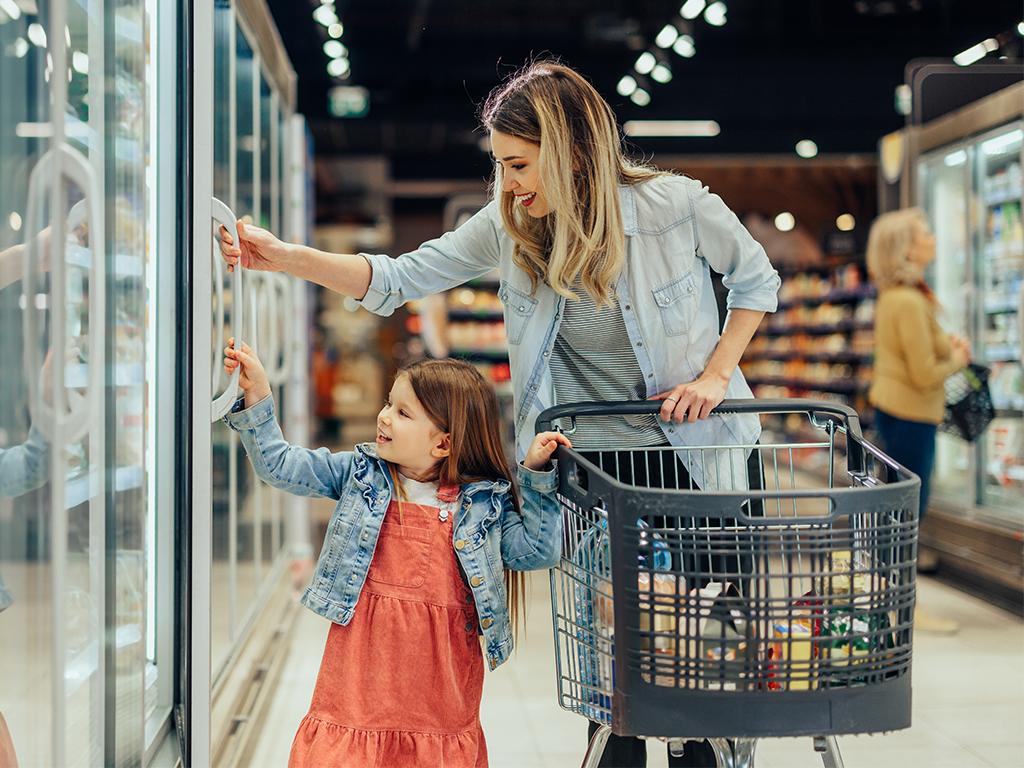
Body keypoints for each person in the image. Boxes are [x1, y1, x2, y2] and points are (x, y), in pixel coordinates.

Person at [220, 59, 780, 767]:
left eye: (518, 164)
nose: (508, 184)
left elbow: (757, 279)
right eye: (502, 167)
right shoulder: (512, 227)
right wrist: (287, 258)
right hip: (596, 471)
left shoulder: (676, 206)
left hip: (704, 455)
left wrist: (717, 372)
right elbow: (399, 277)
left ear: (572, 151)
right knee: (618, 669)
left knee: (708, 655)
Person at [221, 338, 569, 767]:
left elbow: (537, 551)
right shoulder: (358, 474)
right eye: (390, 403)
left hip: (439, 683)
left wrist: (535, 475)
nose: (384, 416)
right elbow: (280, 465)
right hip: (358, 669)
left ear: (443, 443)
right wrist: (257, 397)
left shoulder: (482, 504)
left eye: (403, 412)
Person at [866, 207, 970, 633]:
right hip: (909, 415)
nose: (932, 236)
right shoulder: (907, 299)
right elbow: (923, 373)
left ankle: (893, 601)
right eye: (925, 232)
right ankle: (901, 606)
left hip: (900, 412)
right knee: (907, 514)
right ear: (907, 247)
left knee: (898, 512)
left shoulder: (904, 295)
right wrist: (958, 360)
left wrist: (945, 345)